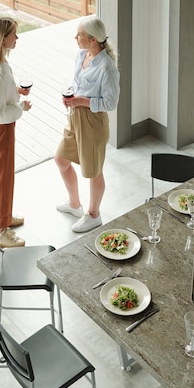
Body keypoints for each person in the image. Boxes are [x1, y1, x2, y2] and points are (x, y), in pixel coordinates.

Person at [55, 16, 120, 233]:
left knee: (93, 171)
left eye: (79, 34)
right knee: (61, 159)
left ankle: (94, 214)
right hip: (75, 117)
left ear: (92, 38)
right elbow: (78, 82)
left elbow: (110, 103)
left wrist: (81, 101)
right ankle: (75, 204)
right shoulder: (82, 54)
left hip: (93, 123)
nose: (76, 37)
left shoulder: (107, 67)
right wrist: (71, 96)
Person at [0, 17, 32, 248]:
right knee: (0, 178)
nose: (17, 38)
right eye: (14, 34)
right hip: (1, 127)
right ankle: (0, 231)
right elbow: (1, 112)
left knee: (3, 175)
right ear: (3, 39)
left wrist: (15, 90)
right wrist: (21, 106)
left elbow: (0, 95)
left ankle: (4, 215)